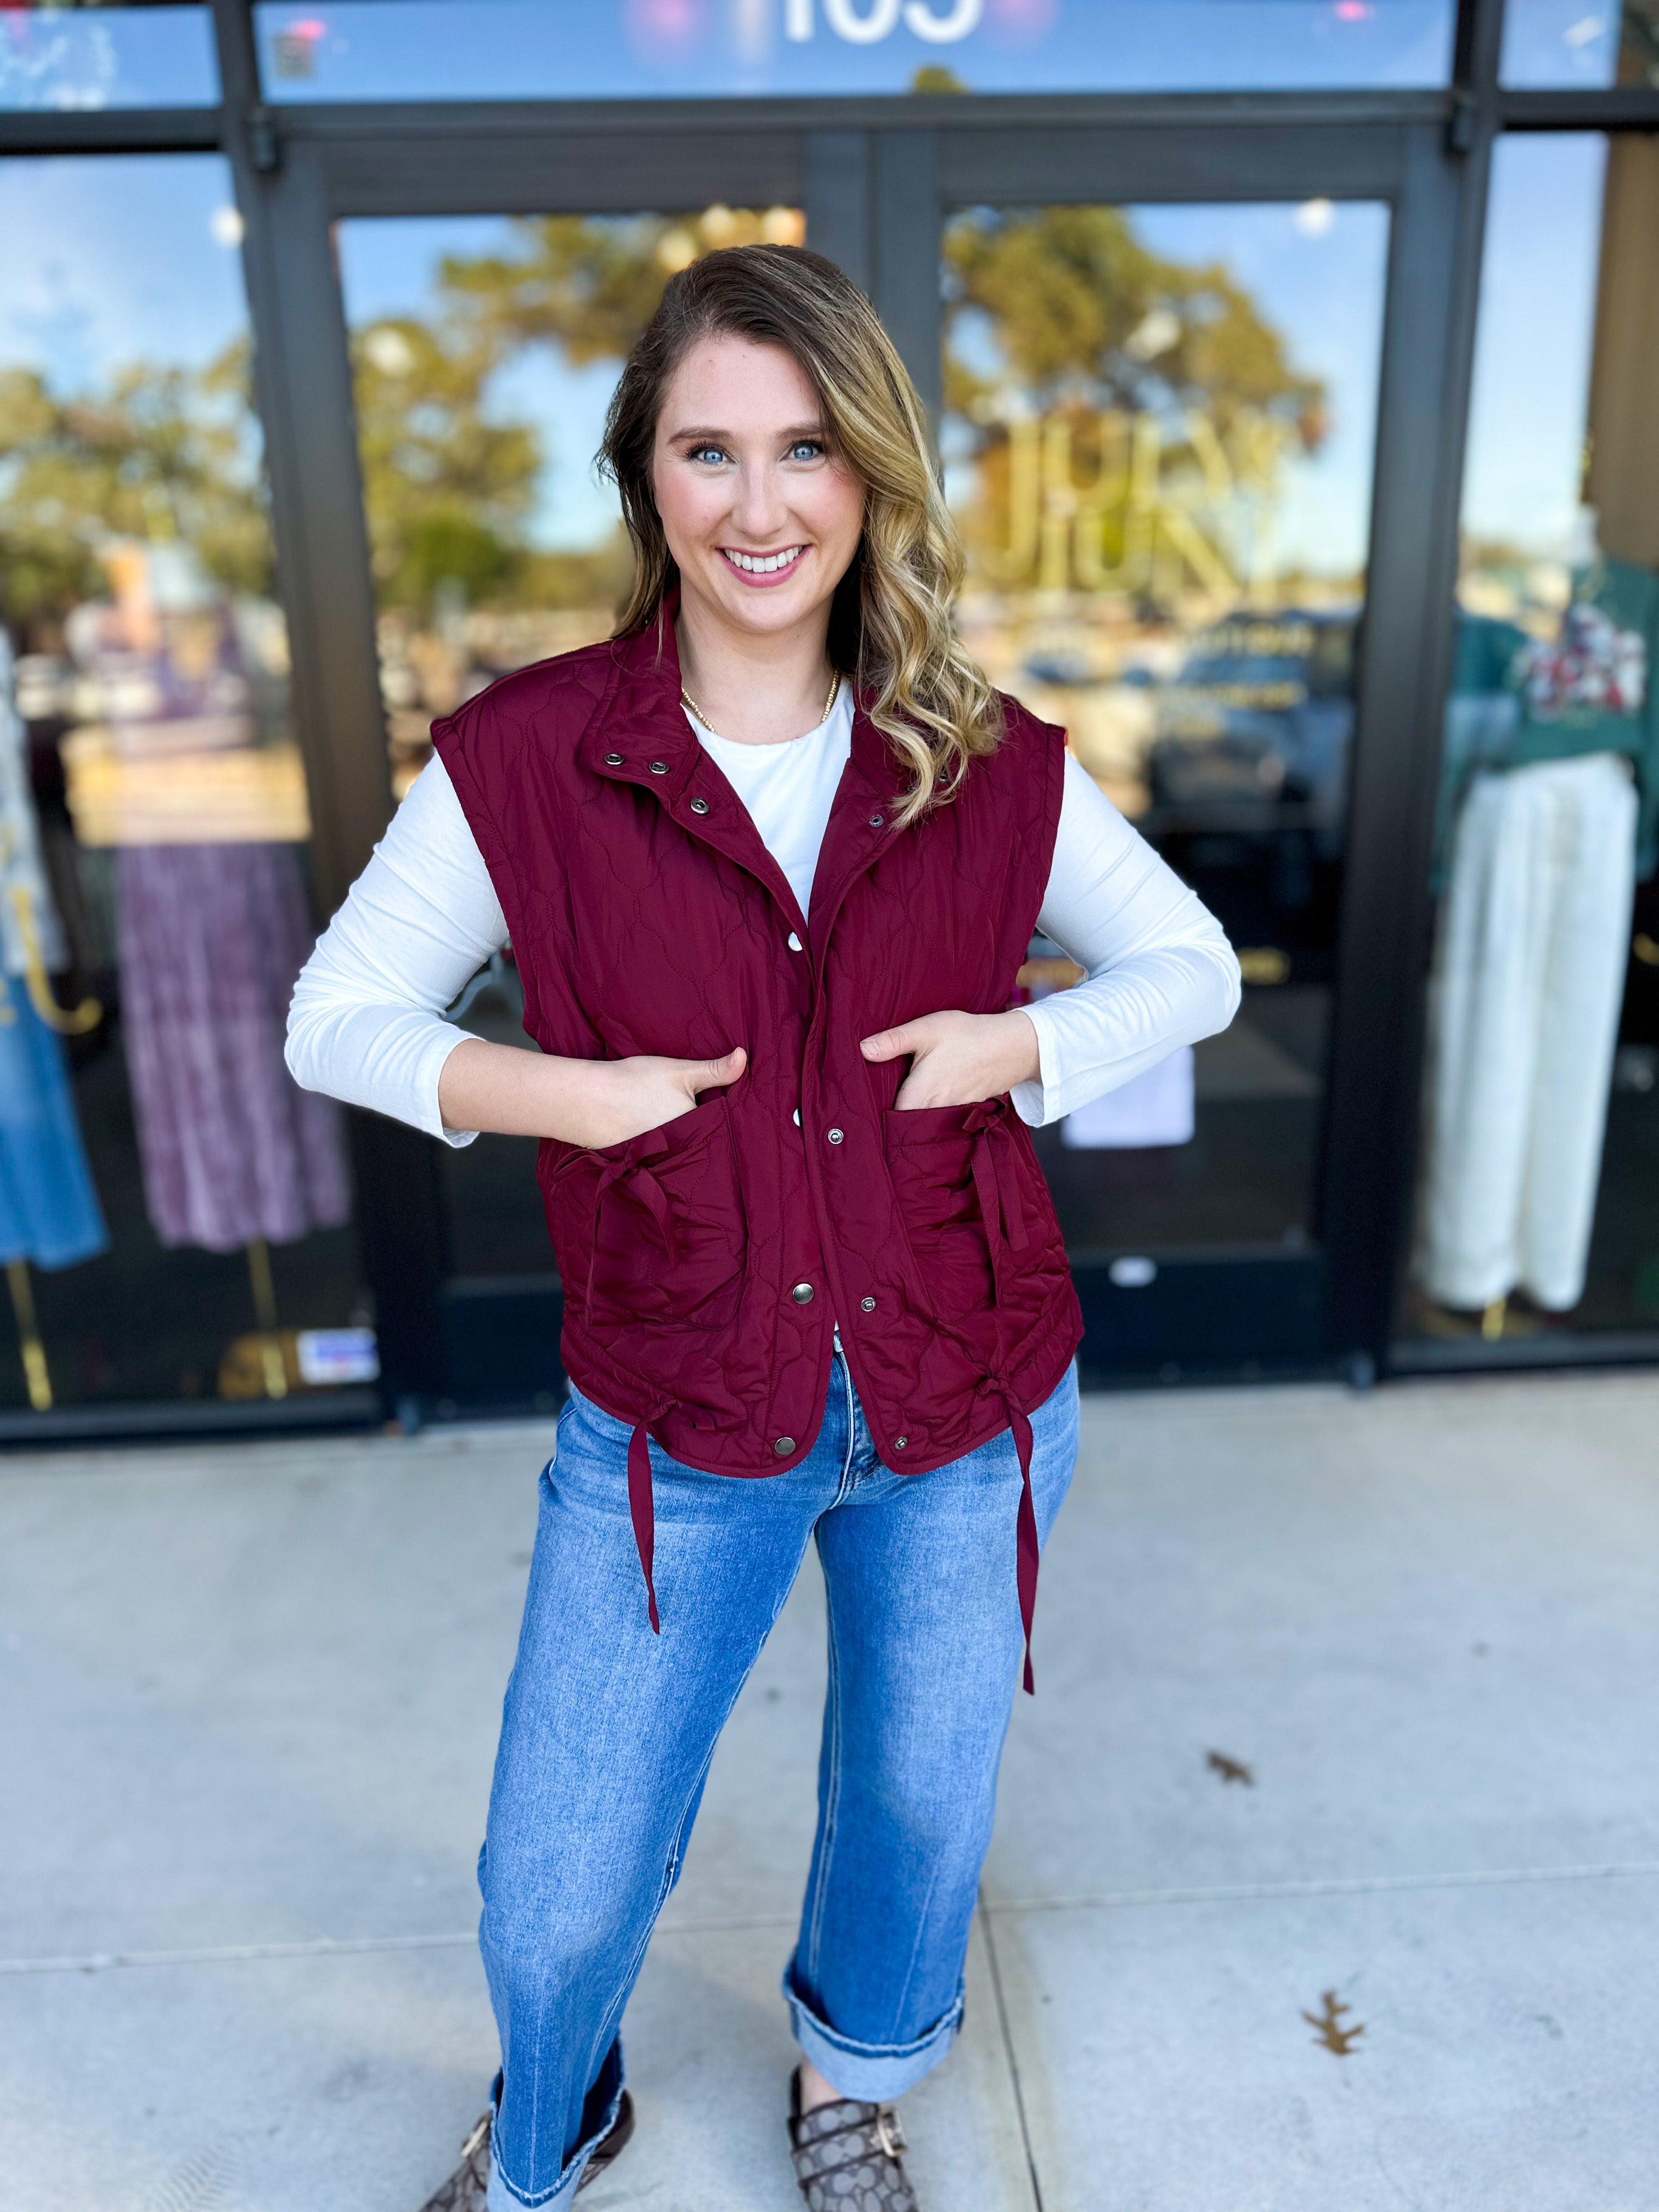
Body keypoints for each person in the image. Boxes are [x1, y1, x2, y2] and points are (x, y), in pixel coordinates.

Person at [286, 243, 1239, 2212]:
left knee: (911, 1810)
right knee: (554, 1884)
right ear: (647, 479)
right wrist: (573, 1091)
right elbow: (337, 1022)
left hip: (960, 1394)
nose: (759, 503)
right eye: (707, 451)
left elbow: (1194, 966)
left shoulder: (981, 757)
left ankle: (848, 2087)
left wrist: (1022, 1046)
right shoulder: (528, 760)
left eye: (805, 449)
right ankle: (564, 2111)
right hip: (672, 1409)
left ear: (869, 477)